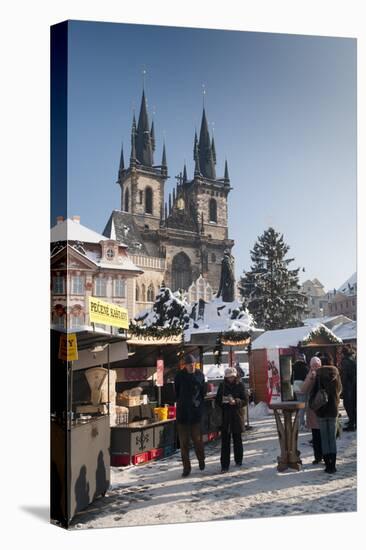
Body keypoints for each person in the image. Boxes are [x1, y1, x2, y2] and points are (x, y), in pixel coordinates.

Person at [309, 353, 342, 474]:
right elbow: (340, 390)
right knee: (332, 438)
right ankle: (333, 465)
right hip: (333, 410)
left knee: (324, 438)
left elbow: (314, 392)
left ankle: (327, 464)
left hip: (321, 411)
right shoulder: (336, 373)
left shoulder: (318, 375)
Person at [174, 354, 206, 477]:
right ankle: (186, 468)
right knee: (184, 443)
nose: (191, 367)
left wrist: (197, 403)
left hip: (195, 414)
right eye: (189, 365)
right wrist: (183, 402)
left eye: (193, 364)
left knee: (198, 440)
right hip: (182, 414)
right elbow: (176, 392)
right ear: (185, 365)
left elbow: (203, 391)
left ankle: (201, 459)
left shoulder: (199, 375)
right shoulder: (179, 376)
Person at [215, 367, 248, 473]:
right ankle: (224, 465)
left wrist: (236, 401)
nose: (230, 379)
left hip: (237, 415)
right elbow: (218, 400)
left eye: (232, 377)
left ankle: (239, 460)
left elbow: (245, 400)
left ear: (235, 376)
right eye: (228, 377)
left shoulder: (240, 385)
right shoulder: (222, 385)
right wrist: (224, 401)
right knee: (225, 442)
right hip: (225, 416)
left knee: (237, 439)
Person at [301, 356, 323, 464]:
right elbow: (304, 389)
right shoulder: (310, 374)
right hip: (314, 408)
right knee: (315, 434)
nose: (315, 367)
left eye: (317, 365)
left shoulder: (324, 373)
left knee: (322, 434)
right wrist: (310, 378)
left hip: (323, 408)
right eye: (314, 365)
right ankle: (318, 456)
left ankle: (324, 455)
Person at [340, 346, 357, 431]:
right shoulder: (352, 359)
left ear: (343, 353)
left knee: (348, 405)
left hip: (348, 386)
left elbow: (345, 375)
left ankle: (351, 425)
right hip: (354, 385)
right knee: (353, 405)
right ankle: (354, 422)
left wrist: (342, 387)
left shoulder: (345, 361)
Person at [291, 353, 308, 430]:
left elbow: (291, 378)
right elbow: (306, 378)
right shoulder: (305, 367)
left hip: (295, 385)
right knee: (303, 406)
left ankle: (298, 423)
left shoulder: (294, 366)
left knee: (299, 404)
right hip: (302, 386)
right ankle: (301, 424)